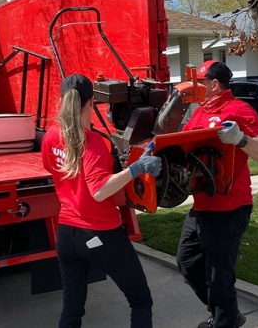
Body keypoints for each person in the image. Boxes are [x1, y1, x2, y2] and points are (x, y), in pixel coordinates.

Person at [41, 74, 162, 328]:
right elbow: (98, 191)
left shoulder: (52, 135)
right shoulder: (92, 142)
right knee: (140, 300)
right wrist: (137, 168)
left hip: (67, 234)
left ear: (64, 101)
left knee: (72, 309)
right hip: (100, 234)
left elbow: (53, 168)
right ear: (92, 102)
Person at [177, 61, 258, 328]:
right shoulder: (199, 113)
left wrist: (240, 139)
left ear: (214, 85)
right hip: (203, 206)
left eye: (200, 82)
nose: (195, 87)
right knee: (186, 262)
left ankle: (224, 320)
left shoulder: (239, 110)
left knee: (219, 276)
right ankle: (227, 312)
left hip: (230, 208)